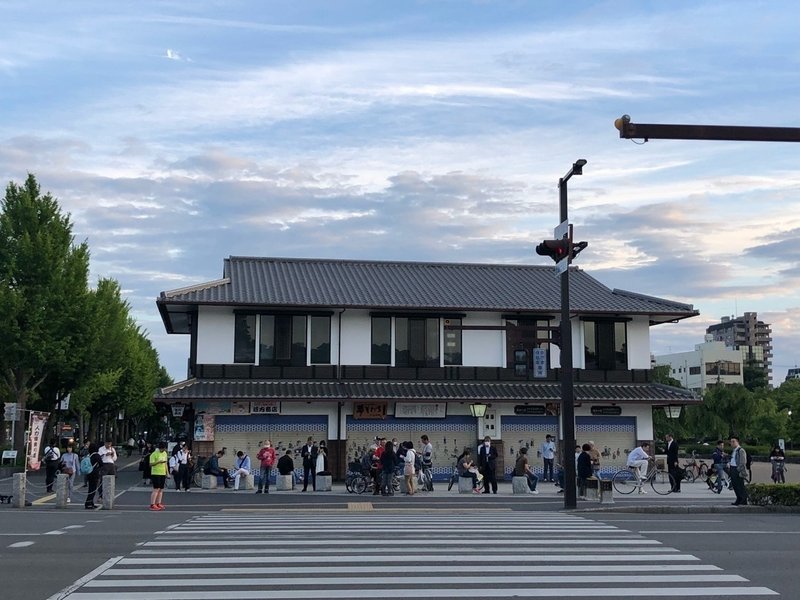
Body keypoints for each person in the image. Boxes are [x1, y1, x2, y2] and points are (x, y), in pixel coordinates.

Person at [729, 436, 749, 506]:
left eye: (733, 441)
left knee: (740, 485)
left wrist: (738, 469)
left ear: (737, 442)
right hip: (732, 468)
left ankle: (743, 499)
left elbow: (743, 462)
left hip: (737, 470)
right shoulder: (734, 451)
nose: (732, 443)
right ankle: (738, 498)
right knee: (735, 485)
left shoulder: (741, 450)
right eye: (731, 441)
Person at [149, 441, 169, 511]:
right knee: (156, 489)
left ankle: (158, 503)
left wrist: (167, 473)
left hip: (162, 473)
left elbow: (166, 463)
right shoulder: (154, 454)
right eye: (163, 449)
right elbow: (151, 464)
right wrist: (158, 462)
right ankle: (152, 504)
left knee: (161, 489)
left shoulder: (165, 453)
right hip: (155, 473)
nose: (163, 450)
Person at [84, 443, 102, 509]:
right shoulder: (97, 455)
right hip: (95, 474)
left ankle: (90, 503)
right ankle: (88, 503)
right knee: (93, 489)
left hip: (89, 473)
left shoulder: (89, 455)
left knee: (90, 489)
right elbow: (101, 464)